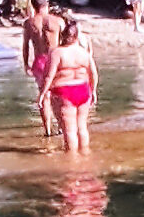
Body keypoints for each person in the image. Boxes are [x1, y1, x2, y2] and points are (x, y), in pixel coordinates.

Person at [38, 21, 99, 154]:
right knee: (82, 128)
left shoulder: (57, 53)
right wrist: (93, 90)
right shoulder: (84, 53)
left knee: (69, 131)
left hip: (64, 92)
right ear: (77, 37)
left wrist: (42, 94)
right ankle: (85, 156)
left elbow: (49, 76)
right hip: (83, 90)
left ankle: (72, 162)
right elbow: (93, 73)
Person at [23, 0, 64, 136]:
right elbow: (65, 42)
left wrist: (26, 64)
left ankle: (47, 130)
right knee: (58, 95)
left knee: (44, 96)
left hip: (39, 61)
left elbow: (26, 46)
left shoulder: (29, 23)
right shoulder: (57, 21)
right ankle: (61, 126)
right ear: (46, 5)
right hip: (55, 59)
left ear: (33, 7)